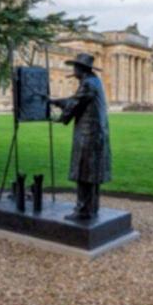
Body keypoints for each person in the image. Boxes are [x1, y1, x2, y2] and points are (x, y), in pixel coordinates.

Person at [50, 53, 111, 220]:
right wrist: (56, 101)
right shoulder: (93, 81)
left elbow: (75, 104)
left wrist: (60, 118)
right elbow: (75, 99)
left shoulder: (88, 84)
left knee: (84, 172)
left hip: (88, 134)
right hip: (95, 133)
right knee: (91, 173)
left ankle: (83, 210)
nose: (73, 70)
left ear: (80, 69)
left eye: (75, 67)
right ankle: (92, 208)